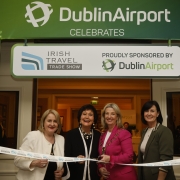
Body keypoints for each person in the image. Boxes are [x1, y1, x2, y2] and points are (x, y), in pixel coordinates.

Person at [14, 109, 66, 180]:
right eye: (49, 121)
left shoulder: (61, 139)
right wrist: (33, 163)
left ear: (58, 124)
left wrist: (62, 171)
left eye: (55, 121)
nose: (52, 124)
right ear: (43, 122)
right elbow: (17, 160)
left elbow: (63, 162)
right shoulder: (33, 136)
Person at [98, 103, 137, 180]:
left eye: (113, 114)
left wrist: (110, 159)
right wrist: (100, 167)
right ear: (103, 116)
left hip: (124, 176)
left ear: (117, 117)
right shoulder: (103, 135)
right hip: (110, 176)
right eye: (107, 114)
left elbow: (129, 156)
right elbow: (101, 155)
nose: (109, 116)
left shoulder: (124, 133)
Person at [137, 101, 176, 180]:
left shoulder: (164, 131)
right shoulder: (144, 131)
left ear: (157, 114)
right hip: (145, 176)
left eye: (152, 111)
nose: (149, 113)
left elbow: (166, 160)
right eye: (146, 111)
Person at [65, 104, 101, 180]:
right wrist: (75, 159)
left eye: (90, 115)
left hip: (94, 176)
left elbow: (100, 156)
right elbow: (65, 157)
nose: (87, 117)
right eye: (84, 114)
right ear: (80, 118)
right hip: (75, 176)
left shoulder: (99, 135)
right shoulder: (70, 135)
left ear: (94, 119)